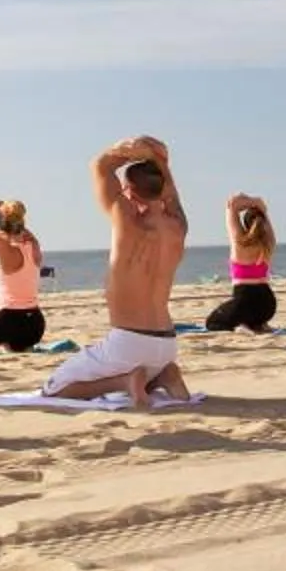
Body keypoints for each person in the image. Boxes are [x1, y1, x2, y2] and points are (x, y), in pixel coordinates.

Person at [42, 136, 191, 406]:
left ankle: (124, 381)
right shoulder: (179, 226)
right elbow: (169, 192)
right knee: (142, 361)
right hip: (167, 344)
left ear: (128, 190)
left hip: (129, 343)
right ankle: (165, 375)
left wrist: (127, 150)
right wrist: (158, 158)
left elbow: (99, 166)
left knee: (54, 389)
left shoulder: (126, 220)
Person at [0, 199, 48, 352]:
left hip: (7, 322)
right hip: (35, 327)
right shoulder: (35, 246)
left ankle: (1, 349)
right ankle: (20, 347)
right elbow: (21, 230)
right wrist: (5, 214)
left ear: (1, 231)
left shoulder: (6, 251)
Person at [205, 196, 279, 332]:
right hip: (267, 306)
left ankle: (246, 325)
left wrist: (253, 201)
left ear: (245, 223)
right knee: (246, 314)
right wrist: (259, 206)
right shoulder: (269, 242)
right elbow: (262, 210)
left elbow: (232, 205)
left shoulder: (239, 241)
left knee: (212, 323)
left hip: (244, 303)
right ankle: (256, 324)